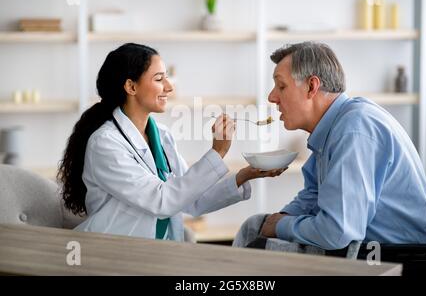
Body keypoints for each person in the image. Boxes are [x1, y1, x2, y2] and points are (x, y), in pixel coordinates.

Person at [58, 43, 286, 241]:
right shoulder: (105, 144)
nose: (169, 87)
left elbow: (192, 200)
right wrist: (217, 152)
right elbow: (162, 200)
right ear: (131, 87)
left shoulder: (161, 135)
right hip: (115, 253)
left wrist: (245, 174)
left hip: (156, 250)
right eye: (159, 79)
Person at [233, 41, 426, 253]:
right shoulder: (336, 125)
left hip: (408, 258)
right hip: (376, 251)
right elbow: (313, 195)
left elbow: (337, 232)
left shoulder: (354, 129)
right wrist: (281, 219)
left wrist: (280, 226)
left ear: (311, 86)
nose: (272, 97)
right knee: (256, 230)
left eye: (281, 86)